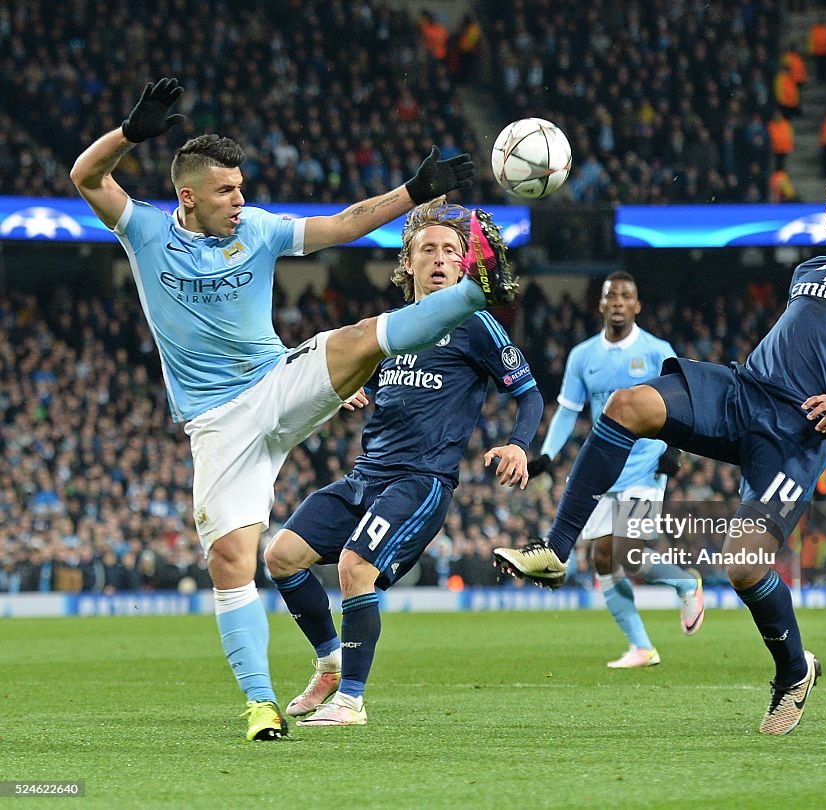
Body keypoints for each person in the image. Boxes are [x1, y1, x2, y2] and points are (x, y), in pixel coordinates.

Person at [69, 77, 516, 741]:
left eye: (241, 188)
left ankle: (479, 294)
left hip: (278, 382)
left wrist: (413, 194)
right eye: (226, 192)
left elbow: (341, 224)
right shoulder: (145, 234)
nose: (240, 200)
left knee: (365, 336)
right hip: (219, 426)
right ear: (188, 195)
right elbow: (86, 174)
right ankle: (262, 703)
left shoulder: (261, 230)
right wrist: (131, 134)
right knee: (235, 562)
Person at [495, 154, 826, 735]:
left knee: (743, 566)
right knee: (626, 404)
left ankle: (792, 671)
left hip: (798, 429)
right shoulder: (810, 268)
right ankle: (554, 550)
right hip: (742, 389)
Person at [262, 199, 543, 726]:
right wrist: (339, 392)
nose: (439, 259)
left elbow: (528, 394)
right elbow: (353, 376)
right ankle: (330, 661)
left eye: (450, 251)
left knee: (354, 568)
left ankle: (351, 701)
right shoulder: (387, 328)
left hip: (421, 481)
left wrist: (520, 444)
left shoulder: (476, 324)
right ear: (407, 264)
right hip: (366, 476)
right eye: (428, 249)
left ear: (463, 266)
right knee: (280, 557)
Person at [526, 272, 704, 669]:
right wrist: (548, 456)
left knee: (630, 556)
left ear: (637, 305)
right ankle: (642, 647)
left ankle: (685, 581)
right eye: (612, 296)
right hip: (604, 470)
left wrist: (675, 448)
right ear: (601, 304)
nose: (619, 302)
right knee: (603, 558)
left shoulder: (658, 351)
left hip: (644, 467)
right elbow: (569, 411)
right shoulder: (583, 356)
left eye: (627, 295)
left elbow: (684, 404)